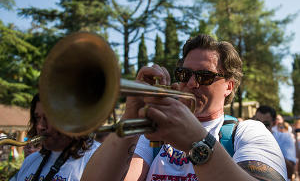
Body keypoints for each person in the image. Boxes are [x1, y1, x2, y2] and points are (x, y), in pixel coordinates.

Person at [82, 34, 287, 180]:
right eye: (184, 74)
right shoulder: (151, 136)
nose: (190, 84)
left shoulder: (248, 132)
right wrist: (130, 115)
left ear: (229, 86)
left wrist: (197, 142)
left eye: (204, 77)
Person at [16, 94, 100, 181]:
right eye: (37, 118)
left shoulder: (97, 157)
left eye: (48, 117)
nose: (40, 126)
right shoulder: (30, 161)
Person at [254, 105, 296, 180]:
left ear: (274, 123)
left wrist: (270, 147)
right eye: (258, 123)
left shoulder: (285, 137)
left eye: (266, 124)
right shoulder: (247, 138)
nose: (261, 127)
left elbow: (290, 172)